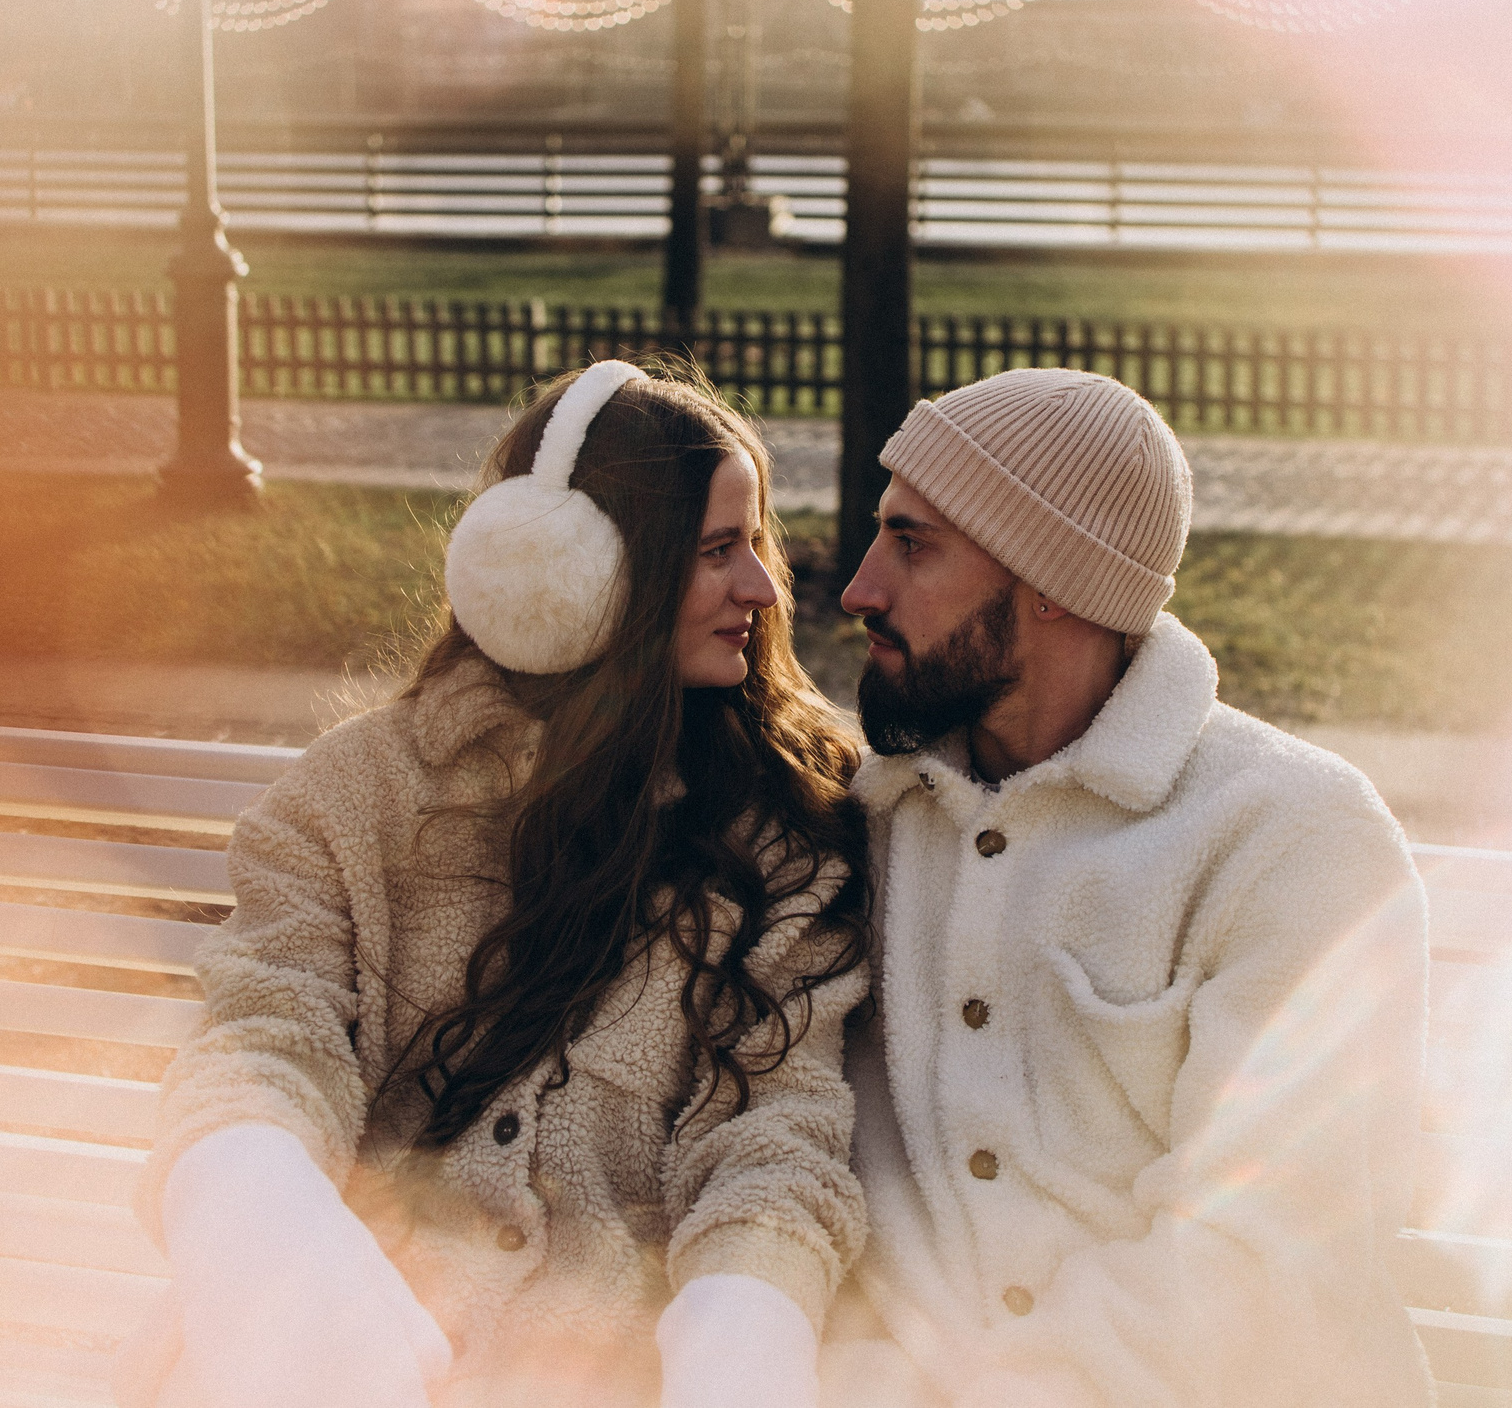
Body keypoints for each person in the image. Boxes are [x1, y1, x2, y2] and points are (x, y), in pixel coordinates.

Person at [118, 360, 872, 1408]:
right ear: (573, 576)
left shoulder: (786, 833)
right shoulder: (355, 799)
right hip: (325, 1344)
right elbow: (265, 1033)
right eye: (713, 553)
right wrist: (261, 1219)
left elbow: (771, 1141)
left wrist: (739, 1335)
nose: (762, 587)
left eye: (756, 543)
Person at [821, 368, 1434, 1408]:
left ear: (1049, 577)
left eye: (912, 544)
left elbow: (1269, 1248)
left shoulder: (1296, 841)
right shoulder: (868, 824)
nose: (859, 588)